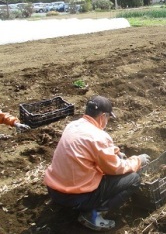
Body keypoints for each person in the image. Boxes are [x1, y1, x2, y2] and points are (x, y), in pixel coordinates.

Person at [44, 96, 150, 231]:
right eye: (108, 118)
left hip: (54, 191)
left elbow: (91, 148)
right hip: (75, 198)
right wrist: (137, 160)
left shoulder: (73, 125)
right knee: (134, 178)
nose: (107, 121)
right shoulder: (98, 136)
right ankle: (93, 213)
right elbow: (114, 169)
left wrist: (114, 152)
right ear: (103, 116)